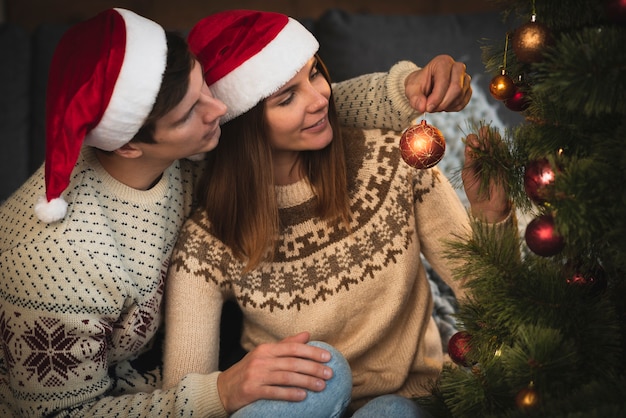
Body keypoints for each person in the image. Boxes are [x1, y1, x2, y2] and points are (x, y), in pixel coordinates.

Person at [0, 7, 477, 418]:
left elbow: (305, 112)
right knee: (323, 373)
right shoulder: (53, 261)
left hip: (171, 382)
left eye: (205, 87)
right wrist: (222, 390)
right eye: (191, 112)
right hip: (113, 402)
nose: (219, 109)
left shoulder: (192, 146)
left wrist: (405, 88)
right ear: (128, 146)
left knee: (369, 399)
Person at [162, 9, 512, 418]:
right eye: (286, 98)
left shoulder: (395, 160)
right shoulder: (210, 235)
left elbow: (494, 302)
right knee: (325, 373)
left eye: (314, 73)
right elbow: (182, 397)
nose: (321, 98)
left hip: (407, 402)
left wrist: (491, 218)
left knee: (389, 411)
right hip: (296, 406)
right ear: (245, 126)